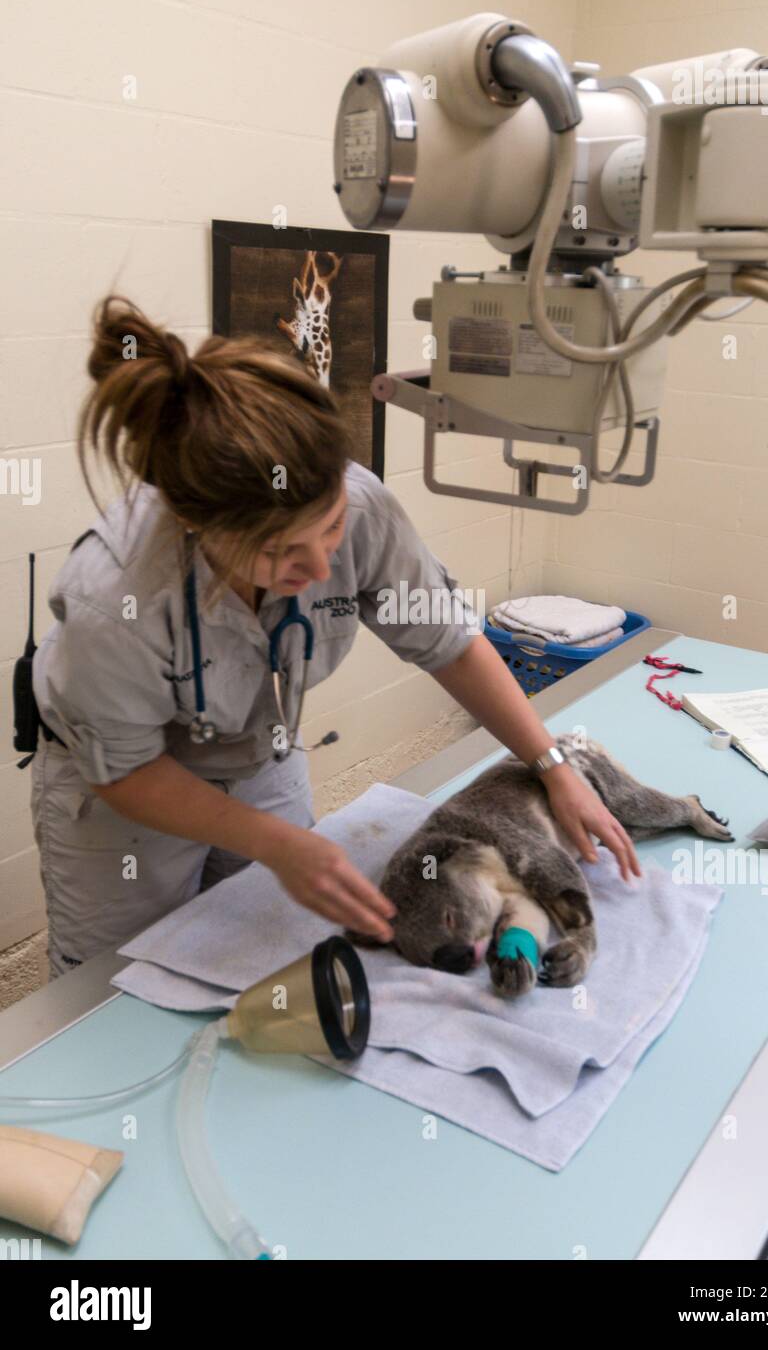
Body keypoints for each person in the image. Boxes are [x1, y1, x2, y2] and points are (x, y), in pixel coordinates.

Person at [31, 296, 640, 979]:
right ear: (197, 527)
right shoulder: (114, 598)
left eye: (330, 529)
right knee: (117, 986)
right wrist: (278, 844)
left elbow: (449, 642)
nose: (323, 569)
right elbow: (128, 771)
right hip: (128, 788)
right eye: (283, 554)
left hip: (260, 750)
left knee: (273, 946)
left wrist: (552, 767)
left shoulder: (362, 504)